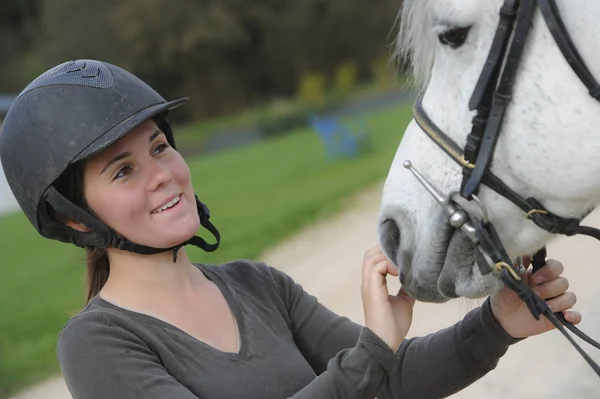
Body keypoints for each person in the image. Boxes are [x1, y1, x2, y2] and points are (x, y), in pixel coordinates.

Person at [0, 59, 581, 399]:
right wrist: (372, 350)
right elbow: (368, 367)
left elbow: (389, 381)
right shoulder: (97, 346)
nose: (162, 176)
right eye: (123, 171)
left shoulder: (258, 286)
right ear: (73, 217)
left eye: (159, 148)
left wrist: (496, 323)